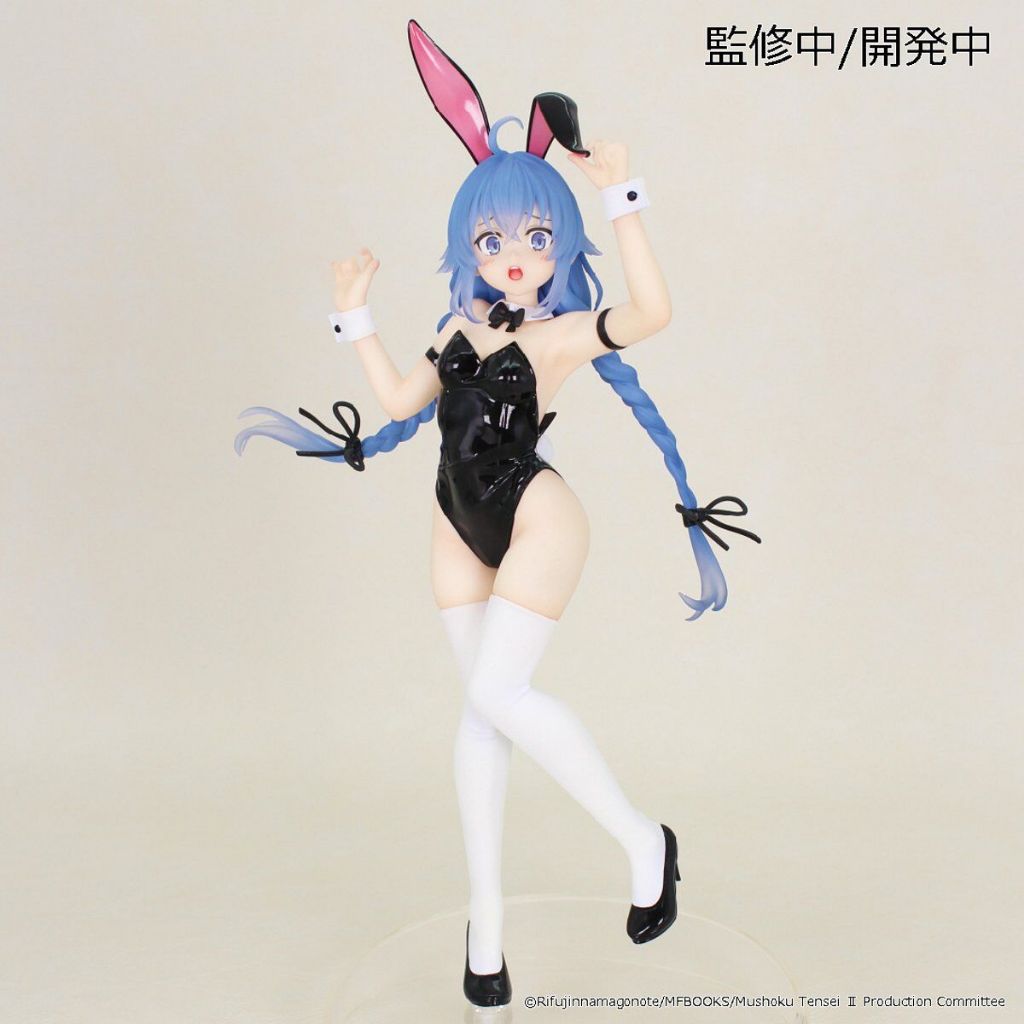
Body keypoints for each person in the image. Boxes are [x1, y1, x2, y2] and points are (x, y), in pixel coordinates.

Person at [235, 20, 758, 1009]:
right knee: (480, 712)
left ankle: (643, 842)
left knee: (497, 694)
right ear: (468, 246)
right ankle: (486, 927)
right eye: (492, 239)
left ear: (557, 242)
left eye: (535, 237)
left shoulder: (560, 335)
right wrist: (355, 316)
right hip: (453, 520)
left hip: (535, 513)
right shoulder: (454, 327)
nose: (514, 256)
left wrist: (621, 197)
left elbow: (652, 313)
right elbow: (401, 402)